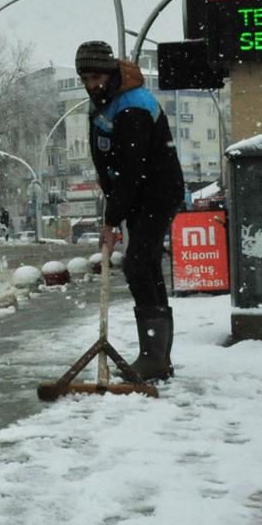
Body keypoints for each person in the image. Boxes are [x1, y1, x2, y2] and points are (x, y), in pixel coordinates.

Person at [75, 40, 185, 382]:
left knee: (138, 262)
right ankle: (158, 357)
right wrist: (114, 212)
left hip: (157, 191)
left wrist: (112, 220)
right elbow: (107, 164)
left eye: (97, 77)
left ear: (110, 73)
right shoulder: (102, 106)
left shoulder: (133, 106)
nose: (92, 85)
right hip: (135, 194)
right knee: (145, 263)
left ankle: (154, 356)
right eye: (86, 79)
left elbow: (132, 168)